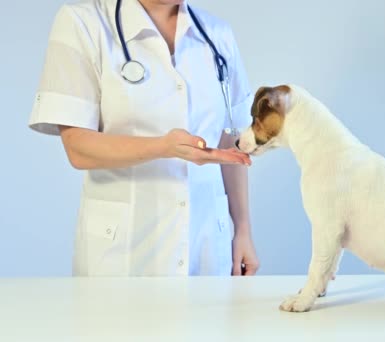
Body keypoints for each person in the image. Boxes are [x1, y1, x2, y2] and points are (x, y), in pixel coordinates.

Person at [28, 0, 260, 276]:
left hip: (207, 241)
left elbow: (229, 139)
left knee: (206, 317)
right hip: (124, 250)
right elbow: (78, 148)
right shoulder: (84, 23)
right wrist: (164, 147)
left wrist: (243, 229)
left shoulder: (216, 33)